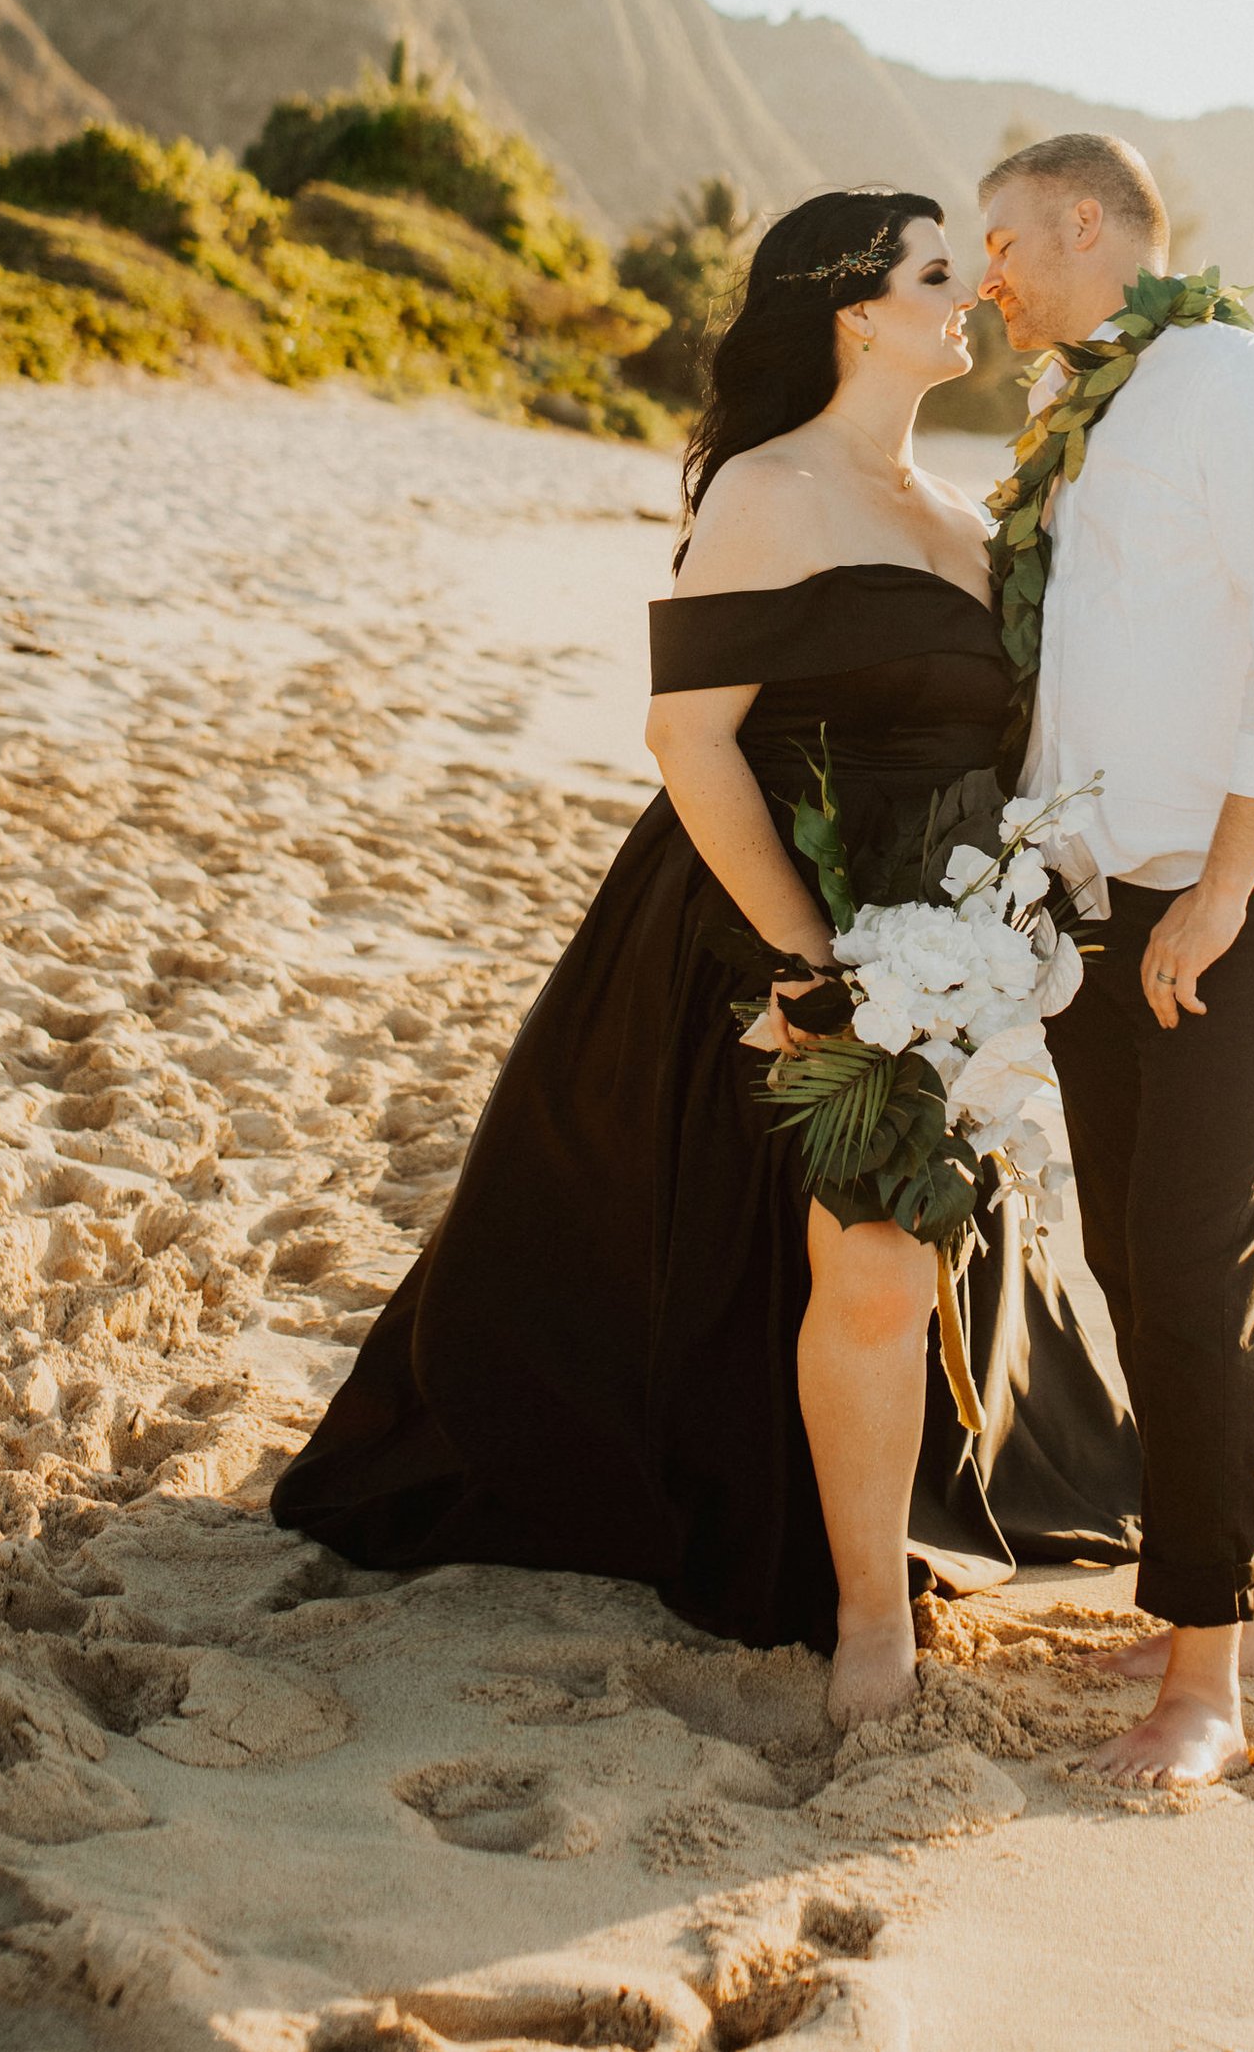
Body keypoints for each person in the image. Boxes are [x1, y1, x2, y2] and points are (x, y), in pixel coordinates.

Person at [272, 187, 1137, 1728]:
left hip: (952, 932)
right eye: (939, 271)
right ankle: (864, 1622)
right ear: (854, 311)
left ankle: (871, 1535)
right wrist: (807, 962)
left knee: (889, 1252)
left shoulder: (971, 516)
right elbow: (688, 737)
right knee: (850, 1249)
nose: (972, 293)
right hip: (776, 907)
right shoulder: (769, 488)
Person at [977, 131, 1254, 1787]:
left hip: (1247, 892)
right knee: (1142, 1263)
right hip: (1110, 897)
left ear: (1088, 222)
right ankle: (1240, 1590)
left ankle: (1203, 1682)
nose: (988, 275)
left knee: (1195, 1266)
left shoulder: (1238, 386)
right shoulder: (1086, 412)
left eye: (1004, 242)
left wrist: (1223, 885)